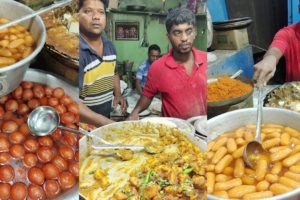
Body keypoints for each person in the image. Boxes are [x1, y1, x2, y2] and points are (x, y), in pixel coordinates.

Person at [129, 7, 207, 120]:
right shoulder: (157, 68)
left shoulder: (206, 59)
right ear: (168, 37)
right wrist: (134, 113)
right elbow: (147, 96)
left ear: (194, 33)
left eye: (188, 31)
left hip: (203, 131)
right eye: (177, 32)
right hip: (172, 133)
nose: (184, 38)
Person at [79, 0, 126, 127]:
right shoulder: (78, 53)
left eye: (101, 12)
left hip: (105, 120)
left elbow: (114, 71)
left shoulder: (110, 46)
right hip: (83, 126)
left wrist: (118, 94)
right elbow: (72, 102)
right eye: (88, 11)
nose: (96, 16)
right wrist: (106, 123)